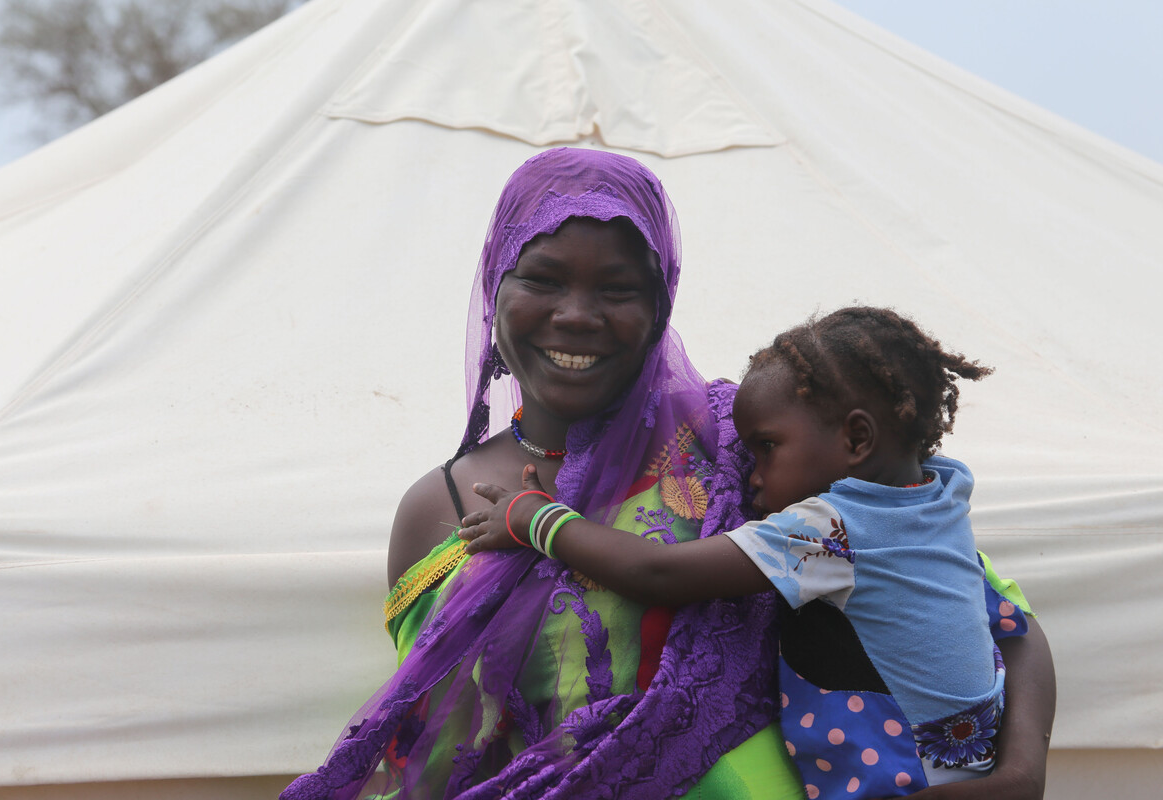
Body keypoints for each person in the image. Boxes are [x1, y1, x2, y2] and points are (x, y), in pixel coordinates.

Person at [283, 149, 1054, 800]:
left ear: (661, 305)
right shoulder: (433, 511)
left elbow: (987, 612)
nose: (577, 314)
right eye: (543, 278)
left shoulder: (744, 448)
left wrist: (1021, 768)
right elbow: (438, 744)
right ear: (495, 289)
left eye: (619, 289)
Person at [461, 306, 1033, 797]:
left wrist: (538, 518)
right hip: (975, 760)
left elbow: (657, 571)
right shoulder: (940, 491)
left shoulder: (830, 530)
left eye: (765, 447)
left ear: (857, 440)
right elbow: (1015, 624)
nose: (749, 475)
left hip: (913, 778)